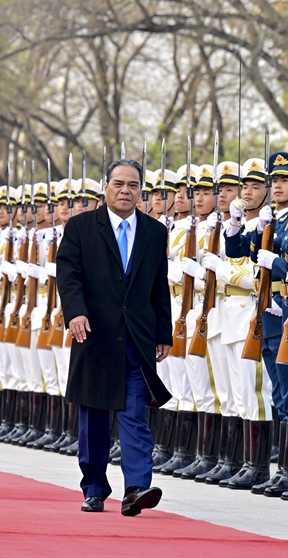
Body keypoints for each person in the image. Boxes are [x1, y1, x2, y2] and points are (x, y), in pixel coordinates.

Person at [56, 158, 173, 516]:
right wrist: (75, 312)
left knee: (134, 412)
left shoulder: (154, 232)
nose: (126, 191)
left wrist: (163, 332)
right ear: (105, 188)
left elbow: (158, 285)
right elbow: (68, 274)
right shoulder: (80, 227)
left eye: (133, 185)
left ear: (141, 191)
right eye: (119, 184)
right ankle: (94, 487)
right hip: (93, 334)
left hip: (137, 337)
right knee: (93, 416)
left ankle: (136, 487)